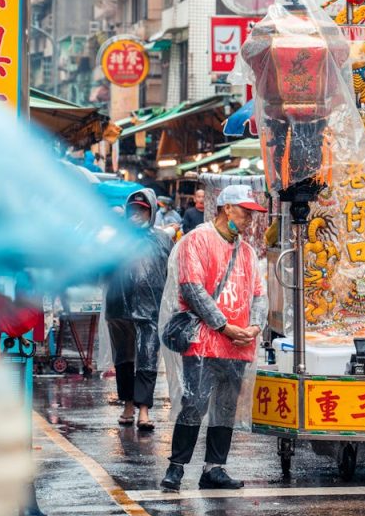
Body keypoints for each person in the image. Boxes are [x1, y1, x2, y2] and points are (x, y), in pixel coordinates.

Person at [161, 185, 268, 491]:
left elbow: (259, 295)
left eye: (251, 213)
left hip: (239, 345)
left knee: (225, 407)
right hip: (204, 342)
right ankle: (176, 467)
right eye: (244, 211)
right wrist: (224, 326)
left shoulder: (247, 252)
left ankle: (214, 468)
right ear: (226, 209)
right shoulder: (197, 240)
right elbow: (192, 288)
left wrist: (255, 327)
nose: (249, 218)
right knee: (194, 402)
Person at [105, 189, 172, 430]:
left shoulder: (163, 239)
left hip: (150, 310)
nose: (137, 214)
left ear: (151, 211)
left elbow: (170, 272)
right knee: (123, 359)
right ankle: (128, 405)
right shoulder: (116, 239)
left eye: (142, 210)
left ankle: (144, 410)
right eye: (133, 209)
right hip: (119, 309)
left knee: (147, 358)